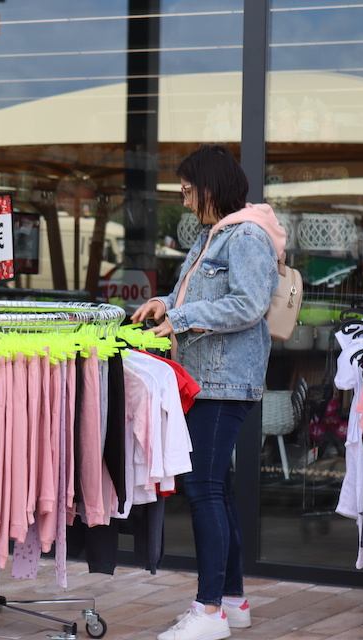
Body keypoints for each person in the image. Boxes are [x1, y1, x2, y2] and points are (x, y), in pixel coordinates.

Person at [130, 144, 285, 640]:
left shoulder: (246, 237)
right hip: (206, 379)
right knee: (214, 489)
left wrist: (181, 318)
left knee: (202, 489)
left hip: (225, 381)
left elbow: (249, 304)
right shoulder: (211, 236)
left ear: (210, 187)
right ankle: (232, 601)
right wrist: (163, 304)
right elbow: (192, 296)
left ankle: (210, 610)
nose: (183, 198)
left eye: (187, 189)